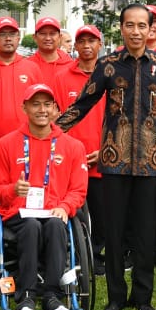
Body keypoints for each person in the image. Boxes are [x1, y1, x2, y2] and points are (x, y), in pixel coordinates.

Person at [57, 3, 156, 310]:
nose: (136, 31)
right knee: (113, 230)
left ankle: (142, 296)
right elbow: (83, 104)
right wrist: (51, 132)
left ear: (151, 28)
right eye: (130, 25)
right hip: (114, 161)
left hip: (152, 164)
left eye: (143, 25)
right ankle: (115, 296)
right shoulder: (108, 66)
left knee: (145, 231)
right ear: (121, 28)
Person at [0, 84, 88, 310]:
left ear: (56, 110)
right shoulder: (6, 144)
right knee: (31, 226)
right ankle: (26, 295)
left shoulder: (73, 146)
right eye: (35, 104)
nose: (42, 110)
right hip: (19, 214)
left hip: (54, 211)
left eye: (47, 104)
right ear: (24, 108)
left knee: (55, 225)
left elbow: (79, 190)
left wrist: (65, 206)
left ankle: (53, 295)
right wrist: (14, 190)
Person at [55, 24, 107, 273]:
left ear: (100, 45)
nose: (87, 46)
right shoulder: (62, 77)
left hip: (102, 156)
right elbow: (55, 118)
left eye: (92, 41)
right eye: (82, 41)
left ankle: (95, 256)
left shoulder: (110, 76)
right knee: (70, 206)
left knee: (101, 211)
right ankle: (71, 253)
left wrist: (105, 149)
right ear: (74, 46)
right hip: (71, 158)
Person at [0, 17, 41, 144]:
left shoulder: (31, 68)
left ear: (18, 38)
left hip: (26, 142)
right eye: (2, 34)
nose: (8, 38)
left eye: (12, 34)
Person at [29, 16, 74, 95]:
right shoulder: (27, 66)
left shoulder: (71, 66)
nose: (48, 38)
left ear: (60, 37)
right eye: (43, 34)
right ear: (35, 37)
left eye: (52, 34)